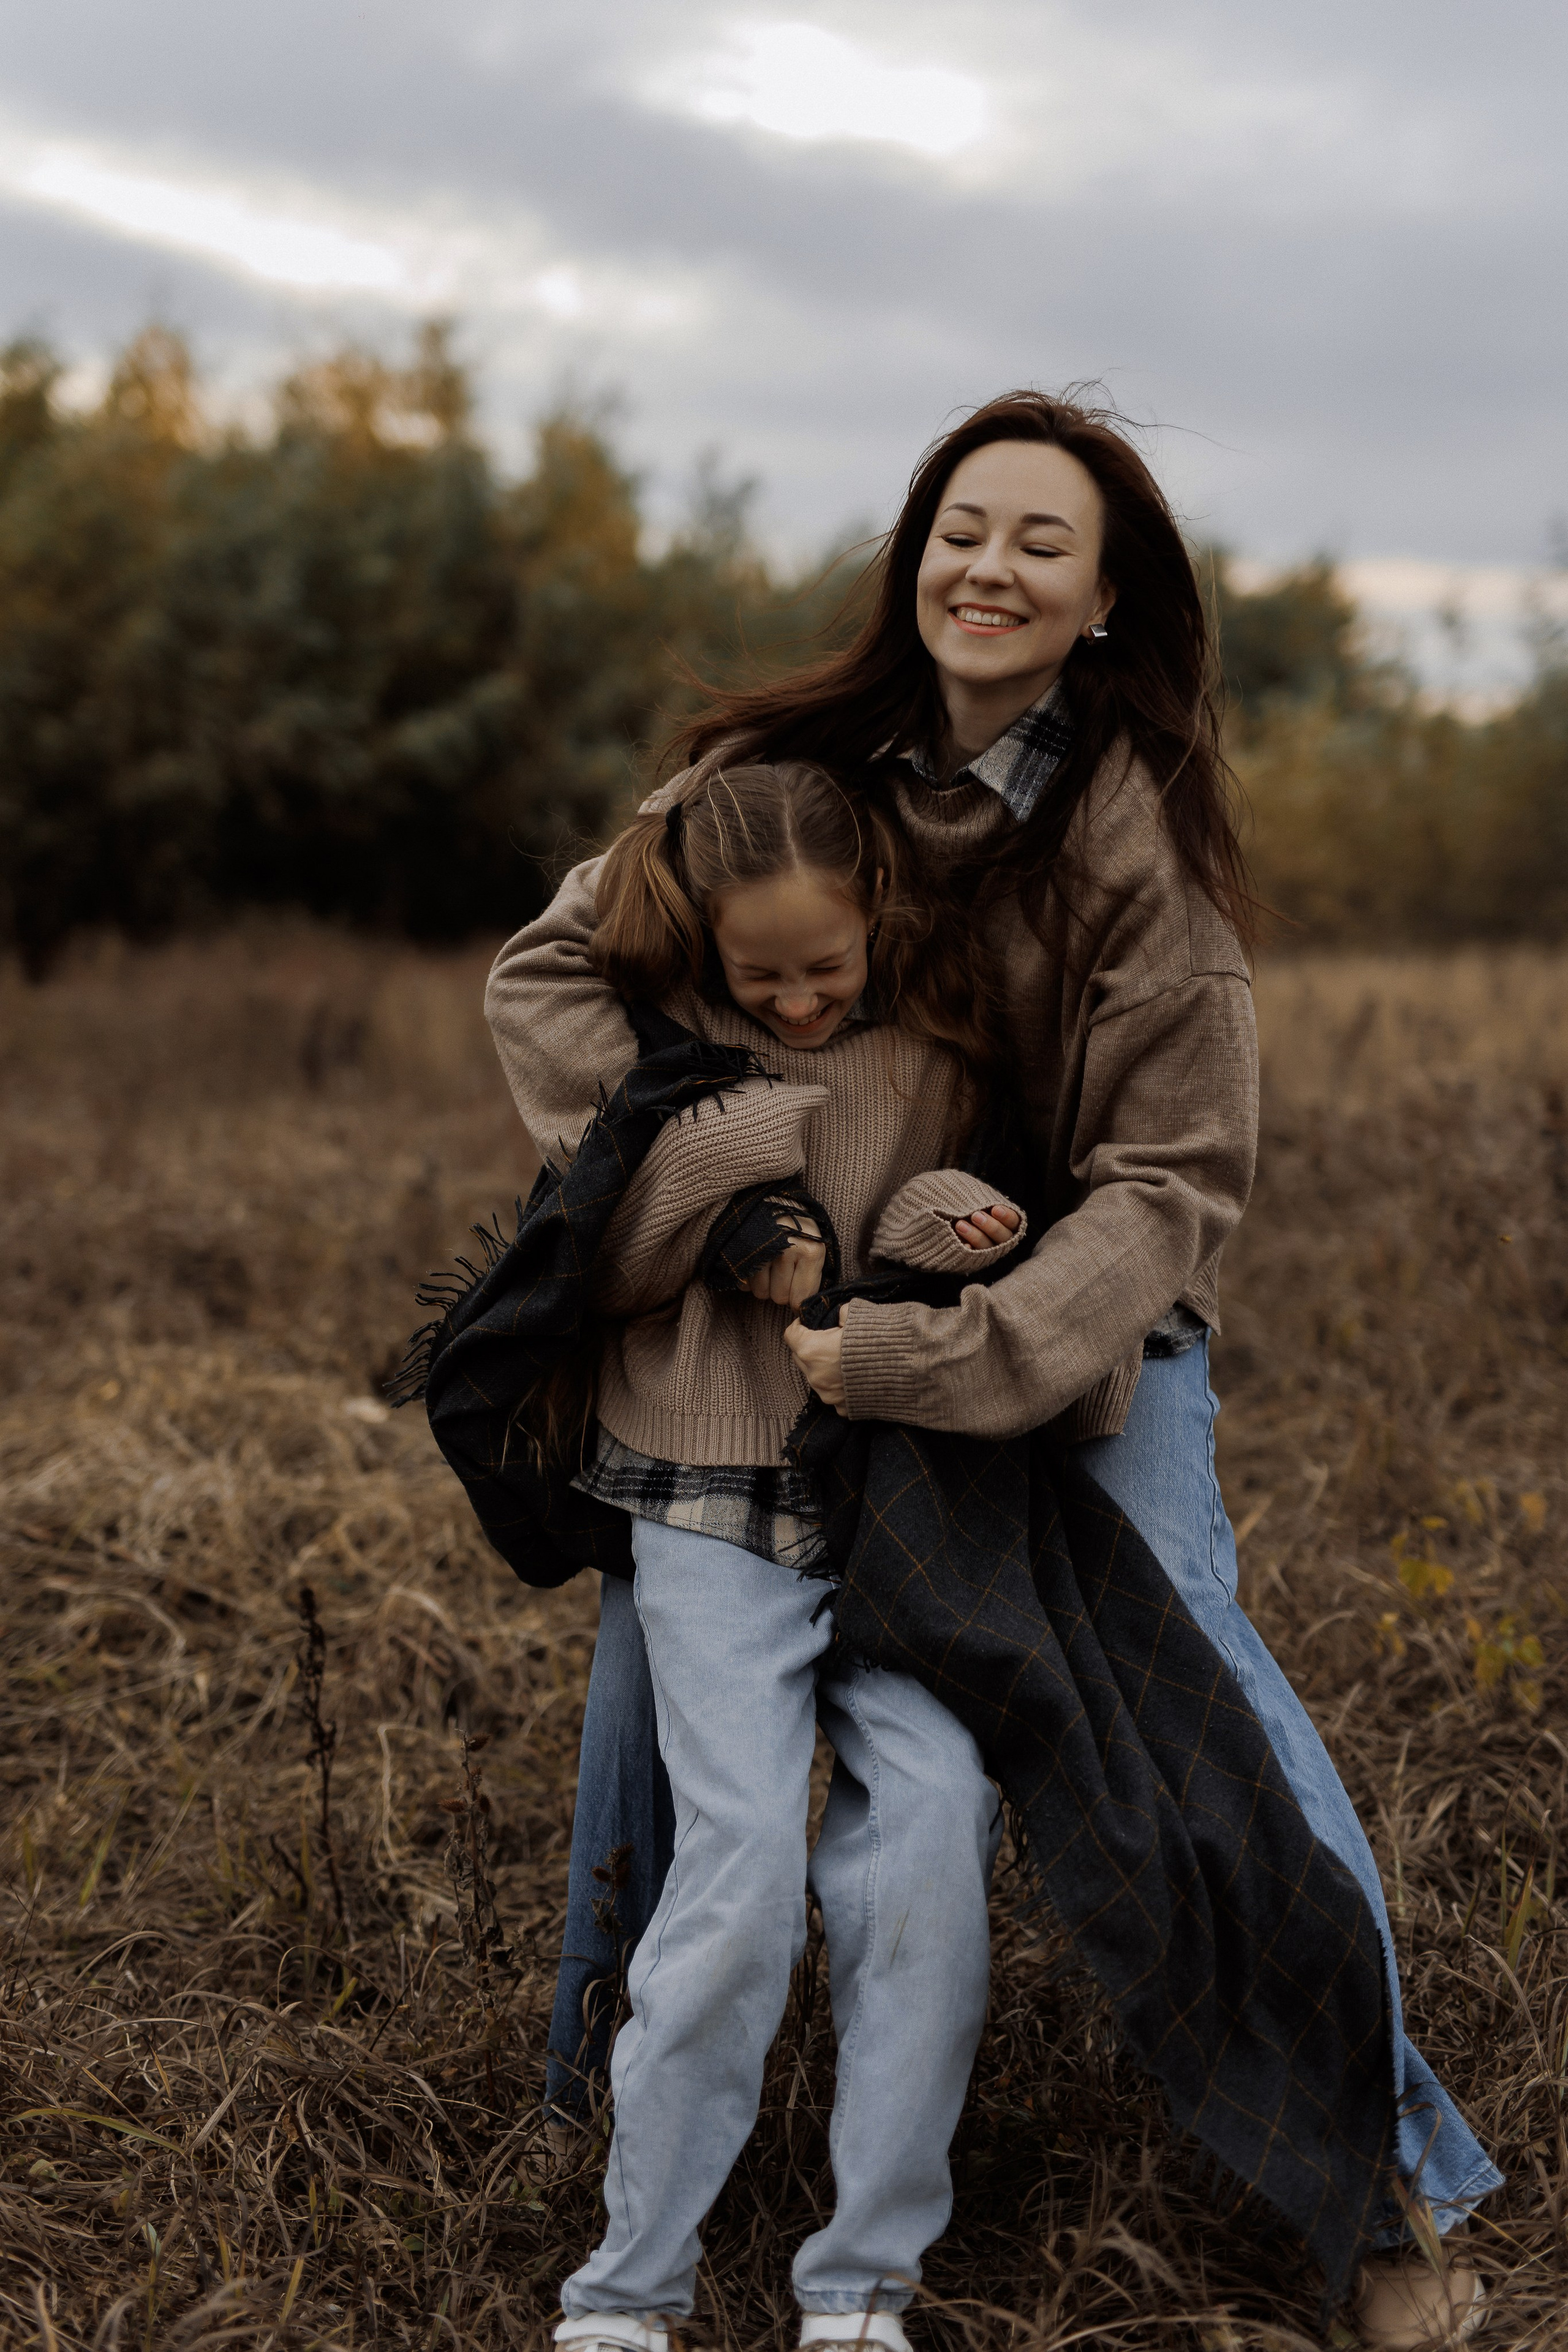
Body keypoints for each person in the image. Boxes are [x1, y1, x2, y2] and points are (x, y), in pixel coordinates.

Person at [488, 393, 1496, 2350]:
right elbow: (550, 974)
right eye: (965, 526)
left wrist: (976, 1353)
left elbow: (1175, 1183)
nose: (992, 568)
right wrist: (709, 1177)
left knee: (1185, 1671)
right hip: (803, 1309)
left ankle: (1375, 2181)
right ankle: (589, 2074)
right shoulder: (788, 776)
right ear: (914, 550)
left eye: (1044, 542)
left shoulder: (1137, 843)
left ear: (1107, 601)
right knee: (663, 1617)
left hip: (1070, 1324)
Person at [541, 757, 1029, 2352]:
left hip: (903, 1488)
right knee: (740, 1867)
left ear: (878, 918)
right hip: (710, 1484)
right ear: (709, 948)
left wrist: (955, 1221)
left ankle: (862, 2283)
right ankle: (630, 2289)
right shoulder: (657, 1027)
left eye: (829, 970)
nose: (805, 1001)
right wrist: (738, 1189)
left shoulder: (938, 1024)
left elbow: (937, 1179)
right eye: (768, 978)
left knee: (936, 1835)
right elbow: (602, 1246)